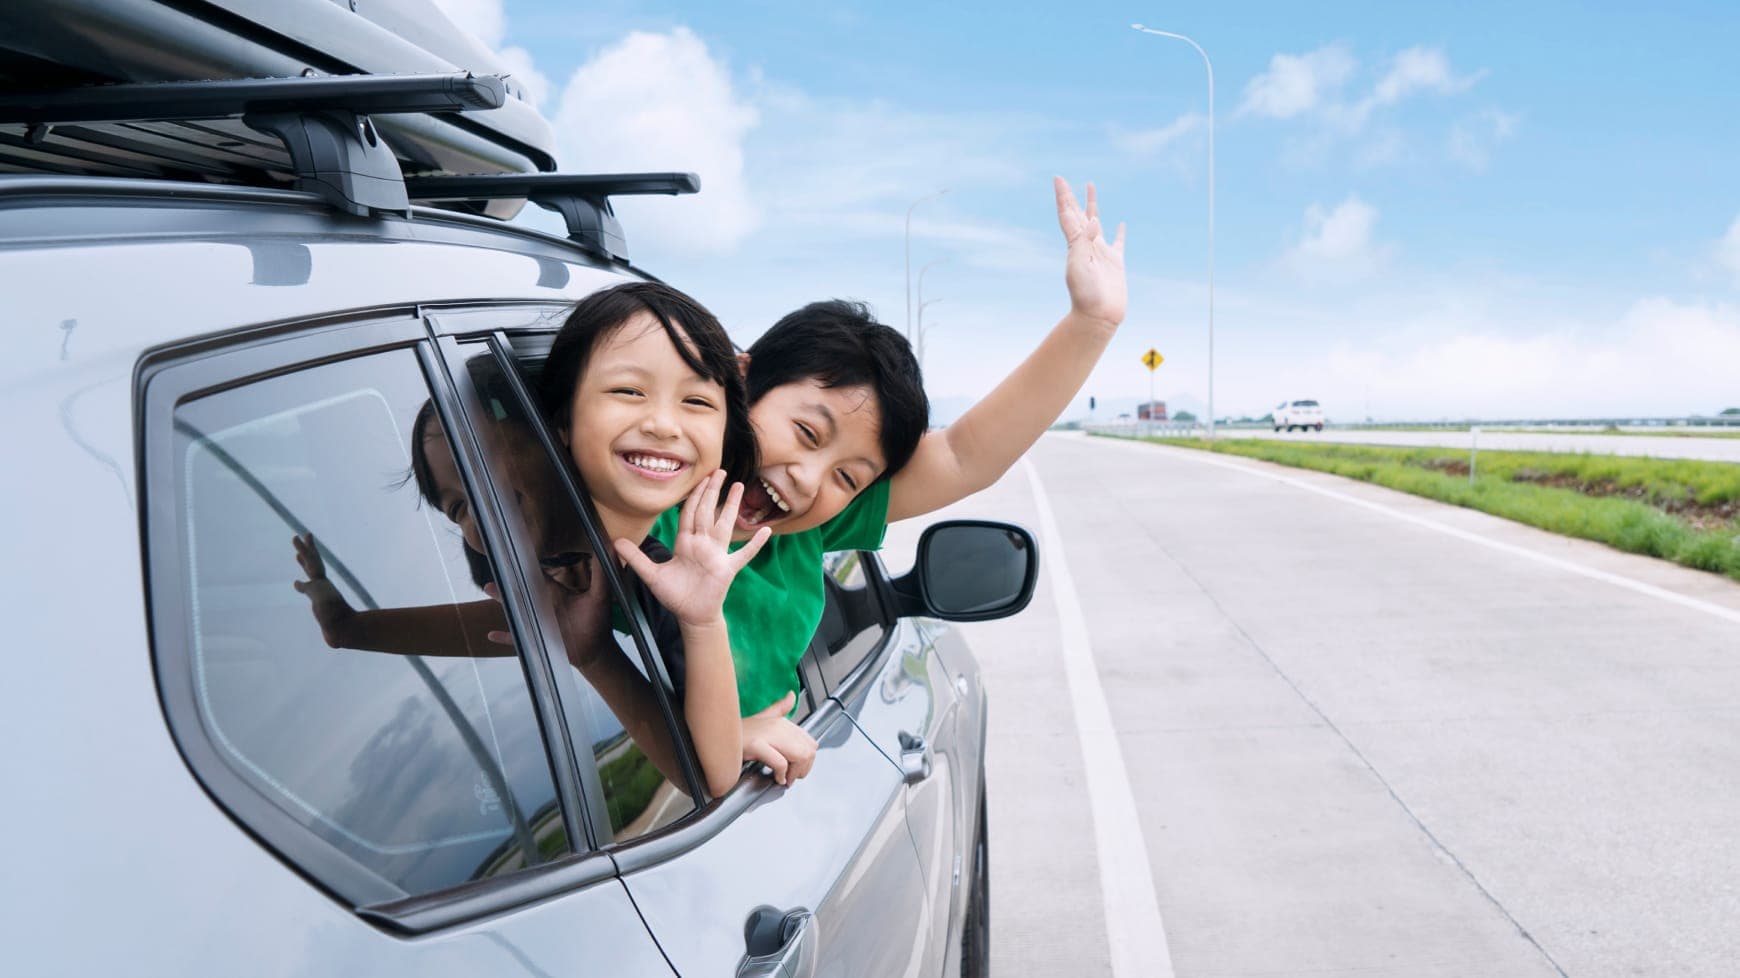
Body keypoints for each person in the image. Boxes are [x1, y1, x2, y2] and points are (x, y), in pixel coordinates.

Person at [295, 282, 813, 796]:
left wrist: (696, 623)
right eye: (456, 507)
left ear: (548, 431)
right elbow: (509, 623)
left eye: (485, 472)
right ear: (565, 423)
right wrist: (347, 625)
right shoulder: (568, 574)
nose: (660, 422)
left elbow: (710, 775)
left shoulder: (665, 573)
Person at [656, 176, 1127, 721]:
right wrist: (738, 737)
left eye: (848, 479)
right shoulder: (639, 498)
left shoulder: (802, 535)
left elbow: (961, 457)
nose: (810, 479)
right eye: (808, 433)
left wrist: (1091, 324)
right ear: (739, 383)